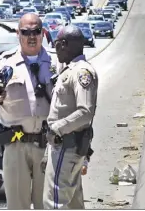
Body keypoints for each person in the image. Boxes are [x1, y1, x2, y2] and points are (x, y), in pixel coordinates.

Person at [0, 13, 54, 209]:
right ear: (17, 34)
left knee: (46, 204)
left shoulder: (55, 63)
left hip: (47, 146)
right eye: (26, 32)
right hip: (15, 145)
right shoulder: (4, 63)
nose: (31, 36)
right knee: (16, 205)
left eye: (36, 31)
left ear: (42, 33)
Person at [43, 25, 98, 209]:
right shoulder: (70, 70)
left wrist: (56, 128)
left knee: (54, 203)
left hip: (66, 146)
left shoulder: (81, 72)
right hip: (66, 146)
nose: (55, 49)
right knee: (74, 203)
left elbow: (85, 112)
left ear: (64, 44)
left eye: (57, 44)